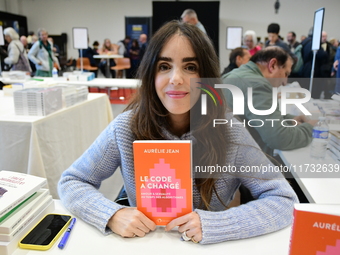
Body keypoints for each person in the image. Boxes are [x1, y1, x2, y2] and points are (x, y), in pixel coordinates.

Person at [58, 20, 298, 245]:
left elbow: (285, 200)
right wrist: (111, 214)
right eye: (164, 66)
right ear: (151, 74)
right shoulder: (126, 127)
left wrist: (218, 224)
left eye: (190, 67)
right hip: (143, 245)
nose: (176, 79)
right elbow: (72, 181)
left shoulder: (229, 131)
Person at [222, 47, 317, 155]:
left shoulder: (239, 74)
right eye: (285, 74)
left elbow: (257, 117)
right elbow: (280, 139)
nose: (285, 82)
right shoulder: (257, 84)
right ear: (272, 65)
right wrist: (311, 127)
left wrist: (290, 119)